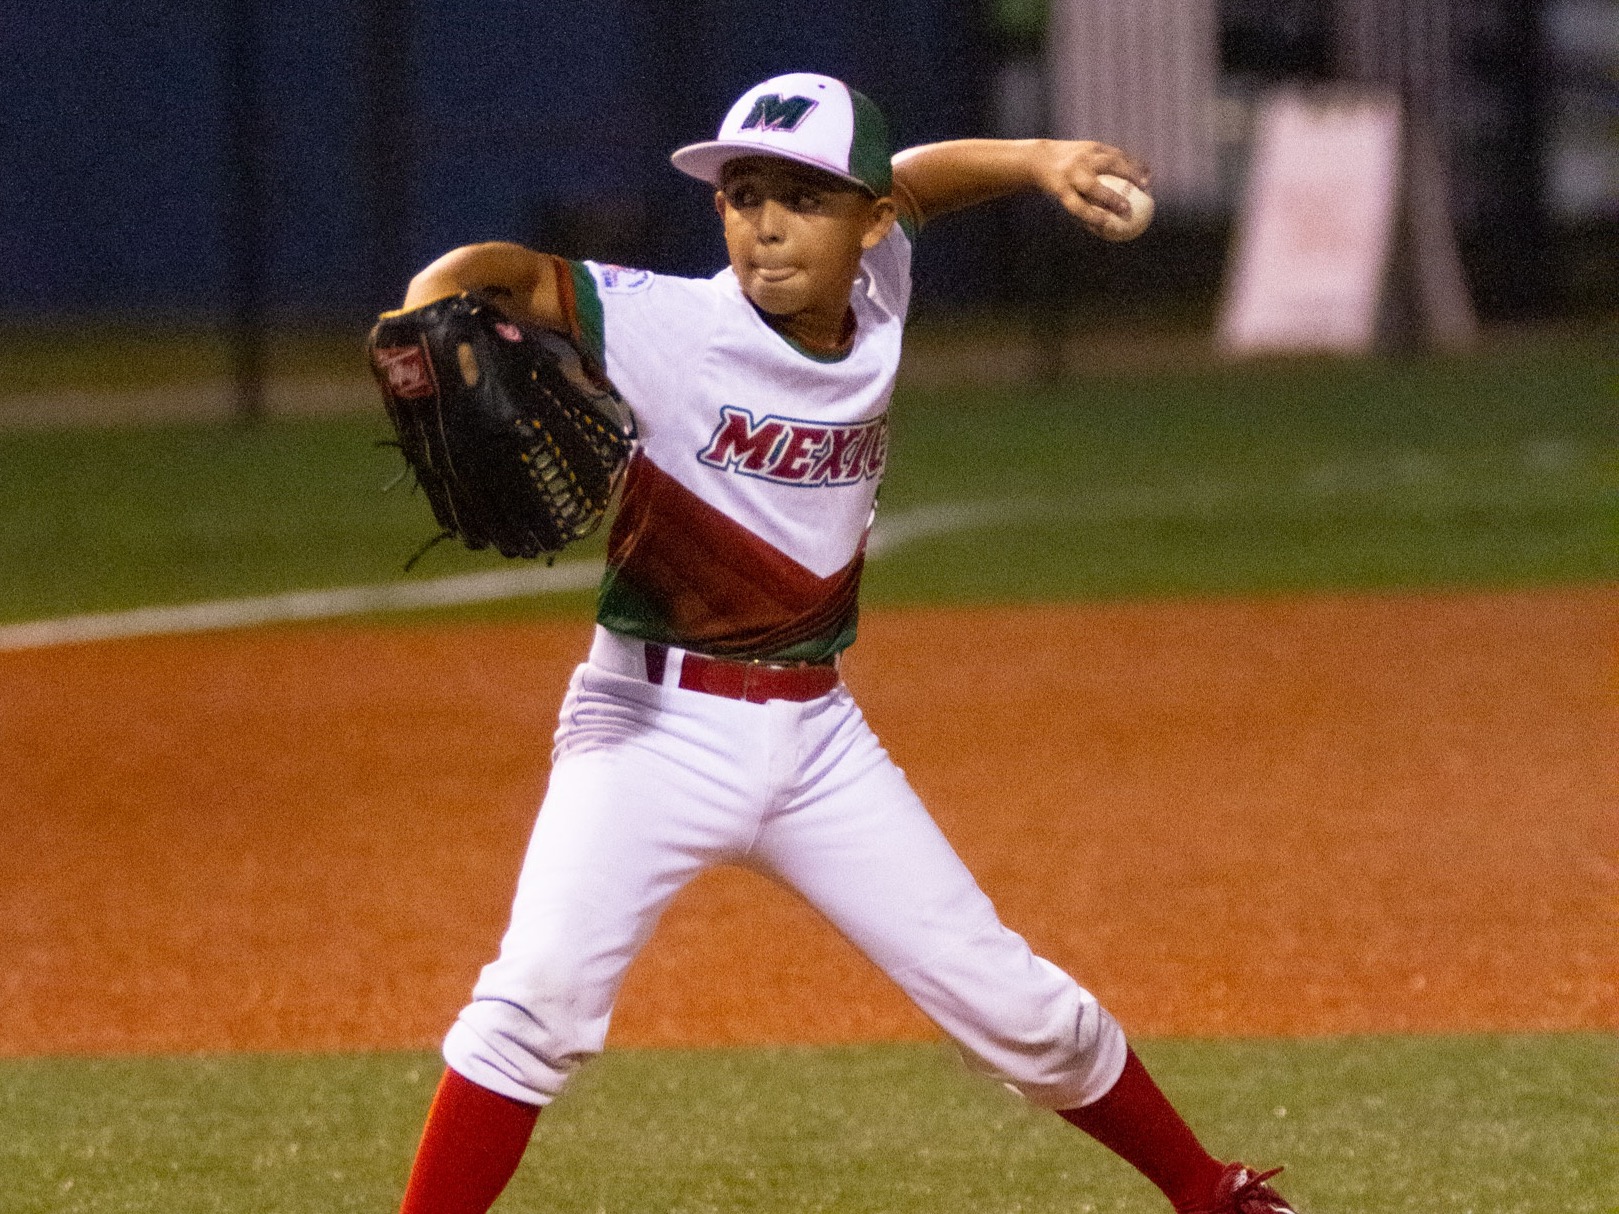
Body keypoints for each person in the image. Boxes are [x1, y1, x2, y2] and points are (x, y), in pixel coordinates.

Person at [389, 72, 1300, 1214]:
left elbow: (918, 178)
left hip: (817, 738)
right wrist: (430, 296)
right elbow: (512, 273)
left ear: (865, 223)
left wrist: (1036, 158)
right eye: (742, 194)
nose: (765, 224)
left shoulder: (879, 279)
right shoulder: (671, 323)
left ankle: (1211, 1193)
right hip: (649, 725)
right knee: (534, 1003)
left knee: (1020, 1009)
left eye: (803, 199)